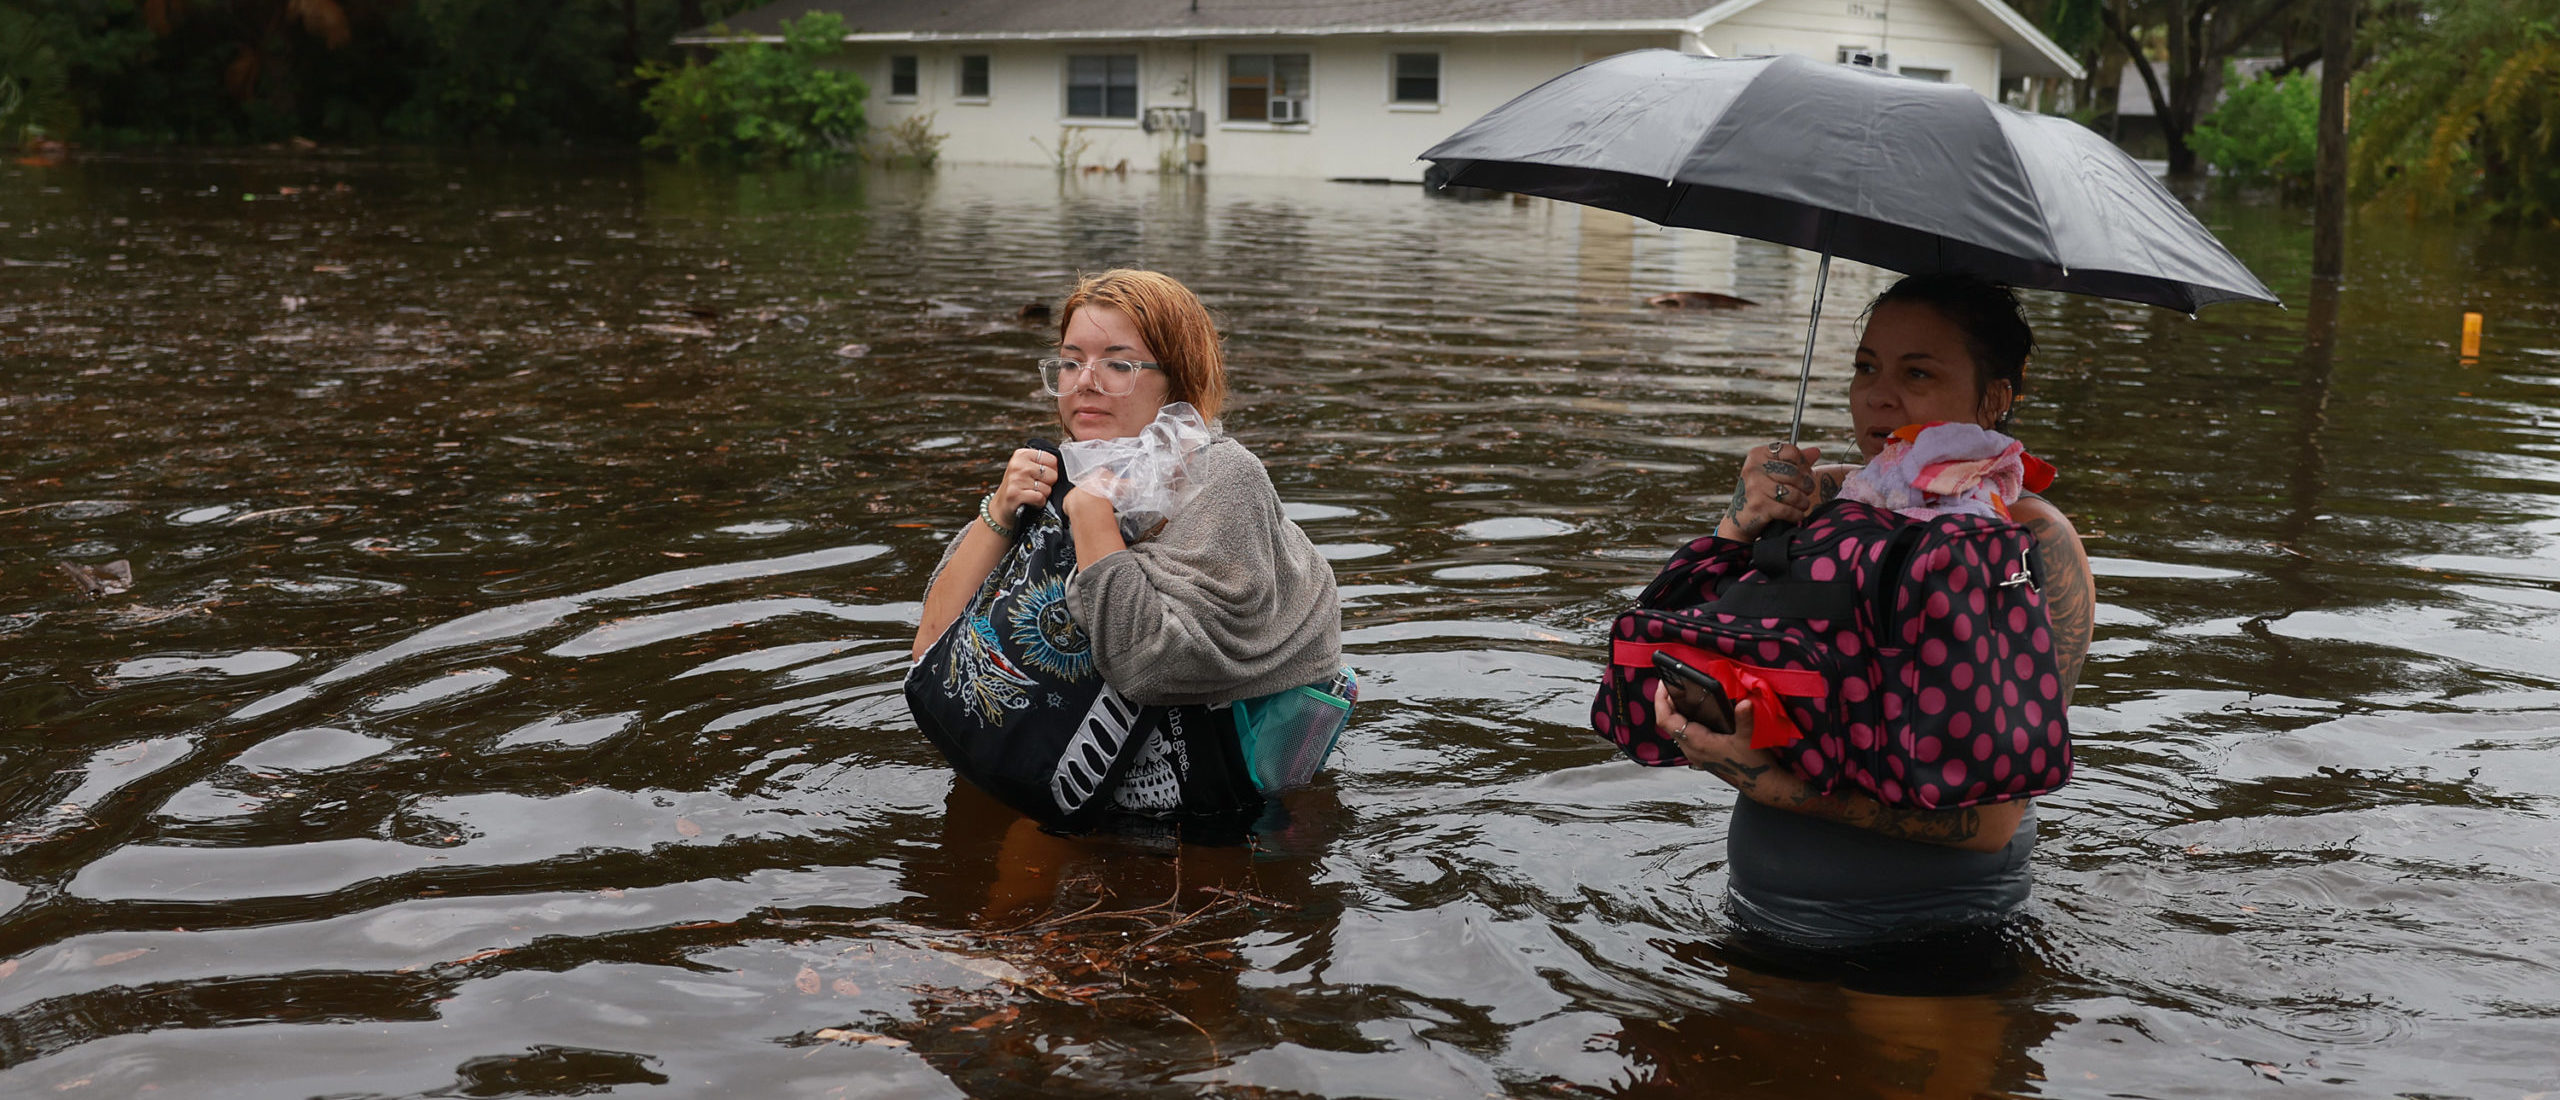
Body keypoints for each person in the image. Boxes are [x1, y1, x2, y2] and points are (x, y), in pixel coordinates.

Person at [1658, 272, 2096, 946]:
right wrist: (1739, 527)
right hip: (1759, 912)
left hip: (1931, 937)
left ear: (1994, 398)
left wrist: (1772, 787)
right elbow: (1689, 646)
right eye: (1866, 367)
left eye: (1916, 374)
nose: (1878, 397)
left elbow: (1992, 822)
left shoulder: (2028, 542)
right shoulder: (1823, 505)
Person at [910, 268, 1345, 820]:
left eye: (1119, 364)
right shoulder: (1056, 470)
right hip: (1066, 774)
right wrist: (997, 513)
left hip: (1218, 800)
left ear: (1176, 380)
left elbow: (1152, 667)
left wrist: (1092, 518)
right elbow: (932, 652)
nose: (1084, 381)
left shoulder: (1223, 479)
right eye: (1071, 361)